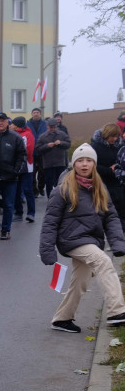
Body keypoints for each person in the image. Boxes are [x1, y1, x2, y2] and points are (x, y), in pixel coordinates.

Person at [40, 144, 125, 332]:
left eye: (89, 160)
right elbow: (50, 222)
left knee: (81, 279)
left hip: (91, 240)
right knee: (103, 262)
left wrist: (118, 243)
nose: (84, 164)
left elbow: (111, 217)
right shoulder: (63, 188)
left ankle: (62, 319)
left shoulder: (100, 188)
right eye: (80, 160)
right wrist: (47, 250)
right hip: (71, 239)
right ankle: (117, 311)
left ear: (94, 164)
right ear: (74, 164)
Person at [90, 123, 124, 225]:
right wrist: (109, 170)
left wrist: (118, 168)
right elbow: (92, 166)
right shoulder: (95, 146)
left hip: (117, 182)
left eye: (116, 136)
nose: (114, 139)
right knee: (103, 211)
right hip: (101, 182)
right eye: (112, 136)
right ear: (106, 135)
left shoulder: (120, 147)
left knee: (121, 210)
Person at [10, 116, 36, 222]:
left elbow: (29, 151)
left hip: (26, 167)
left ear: (16, 125)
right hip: (15, 167)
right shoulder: (11, 135)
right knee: (16, 190)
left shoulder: (28, 134)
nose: (10, 125)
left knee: (27, 190)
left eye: (12, 123)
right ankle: (18, 212)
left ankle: (31, 213)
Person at [36, 118, 71, 198]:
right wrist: (47, 146)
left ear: (56, 126)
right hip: (48, 164)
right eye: (51, 127)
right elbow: (38, 149)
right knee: (49, 183)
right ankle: (50, 198)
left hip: (60, 163)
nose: (53, 129)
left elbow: (68, 144)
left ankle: (62, 198)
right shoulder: (43, 136)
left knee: (61, 182)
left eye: (54, 127)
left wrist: (61, 143)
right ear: (47, 126)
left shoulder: (62, 134)